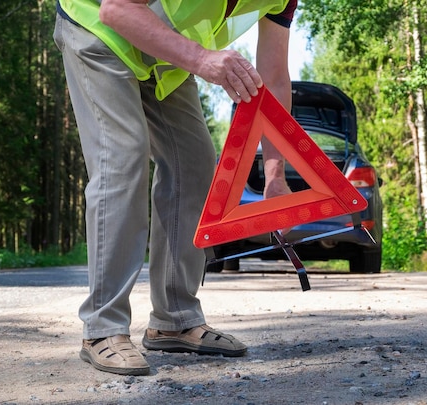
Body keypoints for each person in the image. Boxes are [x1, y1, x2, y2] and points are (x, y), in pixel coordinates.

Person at [53, 0, 297, 376]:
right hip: (97, 27)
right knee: (123, 155)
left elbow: (275, 78)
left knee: (195, 163)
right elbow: (116, 10)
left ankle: (175, 318)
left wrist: (275, 173)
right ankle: (103, 328)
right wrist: (202, 60)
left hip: (163, 52)